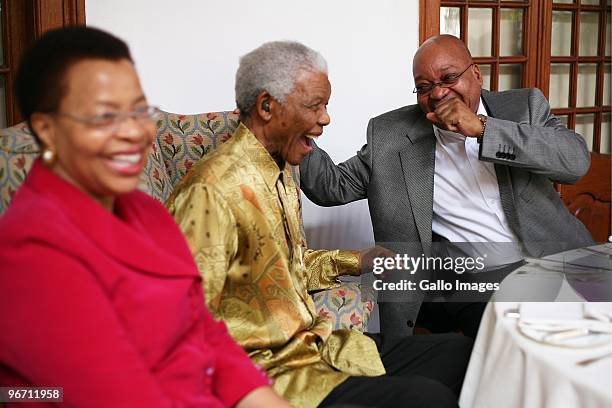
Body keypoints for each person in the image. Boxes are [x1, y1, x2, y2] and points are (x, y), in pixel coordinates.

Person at [167, 40, 472, 408]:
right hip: (270, 374)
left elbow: (284, 269)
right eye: (315, 106)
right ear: (267, 106)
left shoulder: (278, 174)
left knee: (462, 353)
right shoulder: (214, 190)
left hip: (314, 350)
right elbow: (181, 320)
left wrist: (358, 260)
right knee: (427, 397)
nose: (325, 118)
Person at [0, 26, 289, 408]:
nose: (135, 132)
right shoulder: (31, 251)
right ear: (47, 130)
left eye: (138, 111)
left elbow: (206, 333)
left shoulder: (147, 213)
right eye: (104, 117)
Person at [299, 34, 594, 339]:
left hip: (553, 263)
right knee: (523, 340)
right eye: (424, 87)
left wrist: (482, 129)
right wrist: (296, 127)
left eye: (449, 78)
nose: (439, 93)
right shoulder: (391, 135)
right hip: (475, 283)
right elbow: (330, 187)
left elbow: (575, 162)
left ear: (476, 74)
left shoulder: (524, 107)